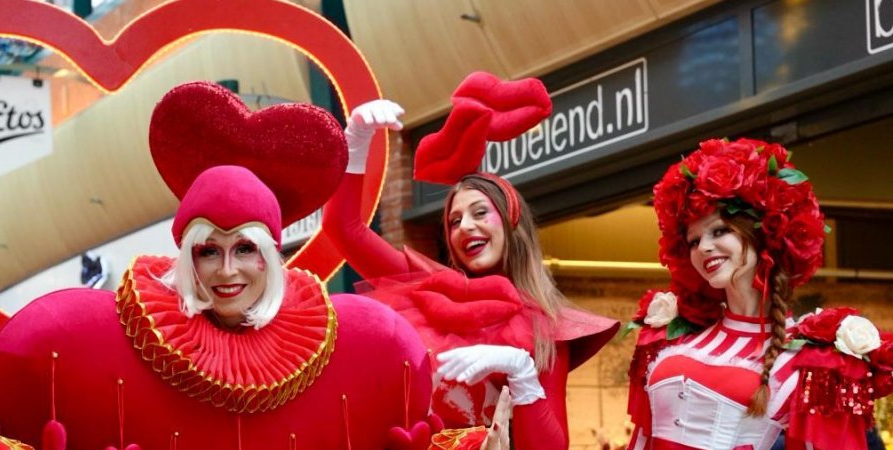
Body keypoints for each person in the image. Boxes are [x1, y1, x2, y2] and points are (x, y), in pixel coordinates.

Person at [0, 81, 435, 450]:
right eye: (207, 251)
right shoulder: (119, 334)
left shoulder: (355, 340)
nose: (226, 271)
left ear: (271, 256)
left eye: (244, 250)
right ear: (186, 257)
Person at [321, 71, 619, 449]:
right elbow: (344, 228)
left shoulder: (544, 329)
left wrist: (522, 373)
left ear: (512, 221)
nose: (465, 227)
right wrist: (356, 142)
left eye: (480, 212)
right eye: (454, 220)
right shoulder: (426, 285)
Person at [625, 137, 893, 449]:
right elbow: (640, 439)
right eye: (694, 240)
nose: (704, 248)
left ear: (763, 233)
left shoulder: (811, 361)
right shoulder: (671, 337)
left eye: (720, 231)